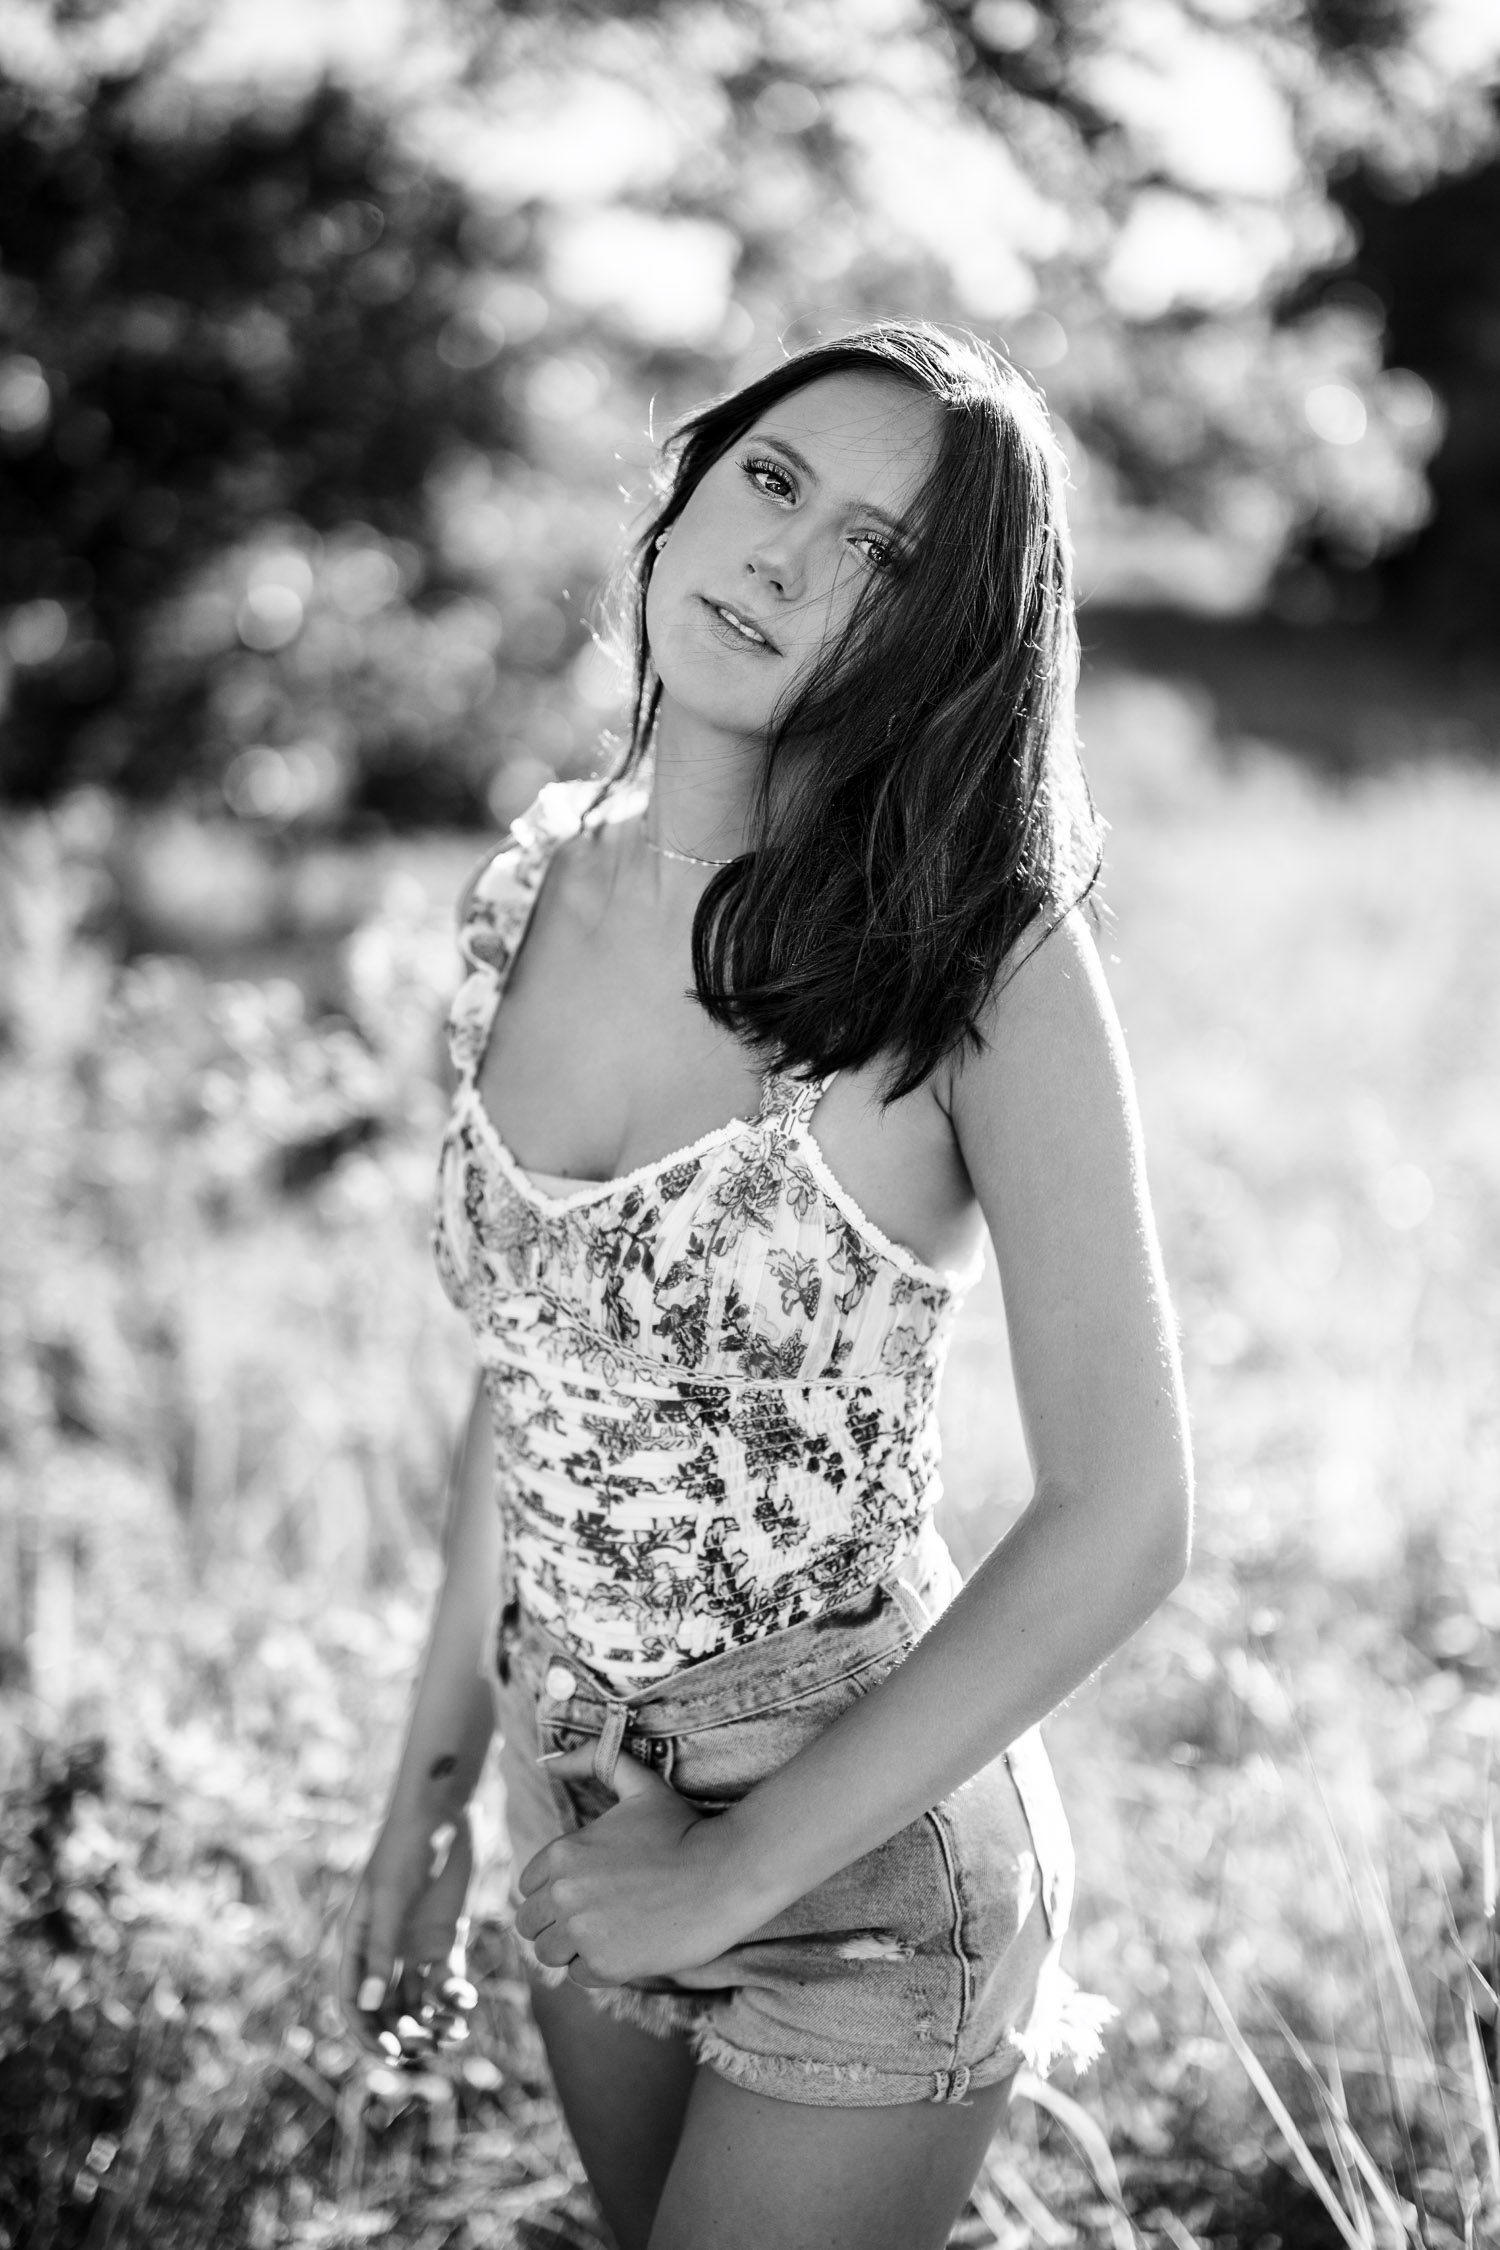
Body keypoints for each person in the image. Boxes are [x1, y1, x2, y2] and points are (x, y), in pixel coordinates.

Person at [339, 320, 1192, 2250]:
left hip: (860, 1844)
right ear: (690, 488)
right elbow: (530, 1373)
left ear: (940, 642)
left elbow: (1128, 1517)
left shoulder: (978, 963)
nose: (787, 564)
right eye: (775, 481)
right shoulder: (527, 886)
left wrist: (723, 1886)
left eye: (884, 561)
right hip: (575, 1784)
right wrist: (435, 1789)